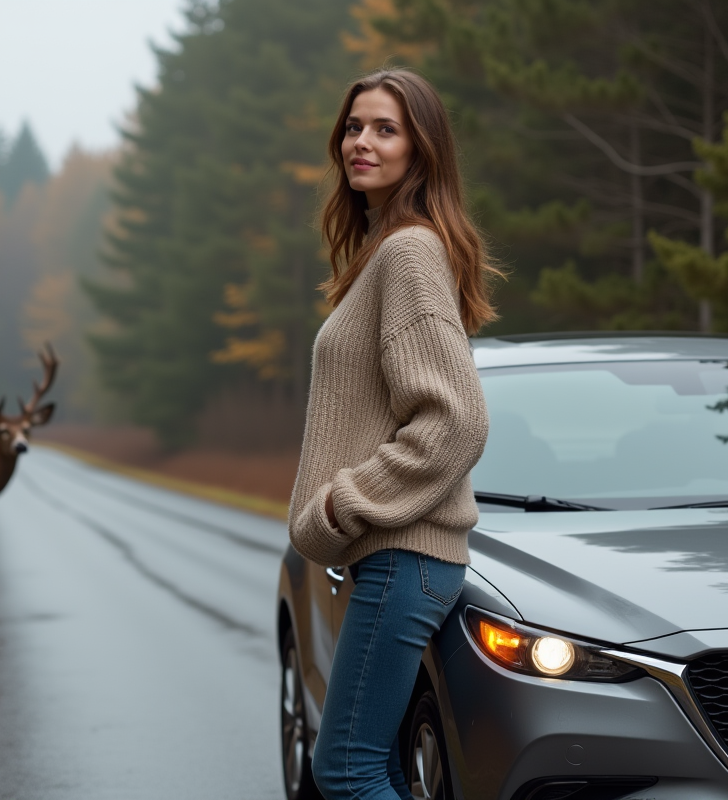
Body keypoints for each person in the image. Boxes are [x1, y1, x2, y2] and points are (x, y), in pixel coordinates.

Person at [288, 68, 500, 800]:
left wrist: (348, 504)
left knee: (344, 770)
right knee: (377, 769)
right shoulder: (384, 251)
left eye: (386, 128)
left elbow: (455, 420)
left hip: (402, 558)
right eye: (353, 127)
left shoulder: (408, 253)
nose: (362, 142)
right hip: (398, 560)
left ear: (423, 148)